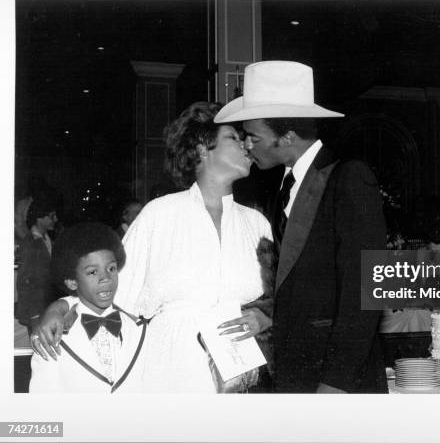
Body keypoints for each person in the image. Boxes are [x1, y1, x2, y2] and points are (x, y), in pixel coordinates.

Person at [32, 101, 273, 393]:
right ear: (201, 149)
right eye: (233, 138)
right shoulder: (160, 215)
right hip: (173, 373)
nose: (246, 144)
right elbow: (112, 288)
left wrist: (265, 316)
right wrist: (59, 307)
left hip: (243, 375)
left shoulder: (257, 223)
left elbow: (279, 298)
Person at [215, 60, 387, 393]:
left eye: (253, 137)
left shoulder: (348, 177)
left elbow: (365, 290)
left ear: (288, 137)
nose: (246, 146)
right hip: (293, 373)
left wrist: (336, 382)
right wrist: (270, 316)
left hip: (334, 379)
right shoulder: (280, 188)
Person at [29, 223, 146, 393]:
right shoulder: (51, 340)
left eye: (111, 268)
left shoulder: (139, 330)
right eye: (92, 272)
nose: (105, 278)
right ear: (71, 281)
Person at [15, 195, 60, 331]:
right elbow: (24, 282)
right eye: (51, 216)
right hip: (36, 311)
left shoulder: (46, 239)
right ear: (40, 218)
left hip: (47, 307)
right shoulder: (30, 243)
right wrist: (34, 316)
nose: (56, 219)